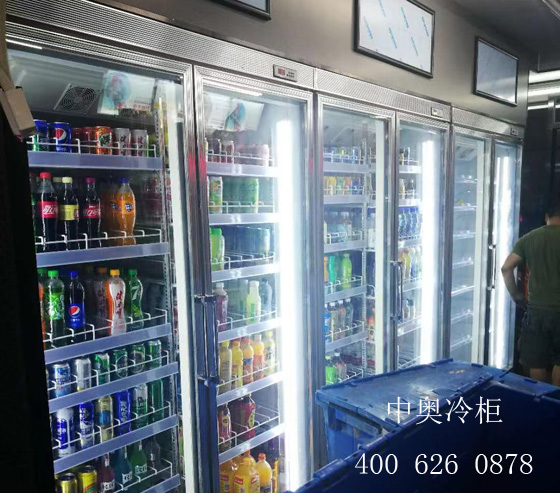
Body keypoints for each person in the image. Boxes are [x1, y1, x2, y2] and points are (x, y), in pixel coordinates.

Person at [501, 202, 560, 385]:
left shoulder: (530, 238)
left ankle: (539, 398)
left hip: (536, 312)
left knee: (536, 361)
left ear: (546, 217)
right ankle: (555, 400)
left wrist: (516, 295)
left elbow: (506, 268)